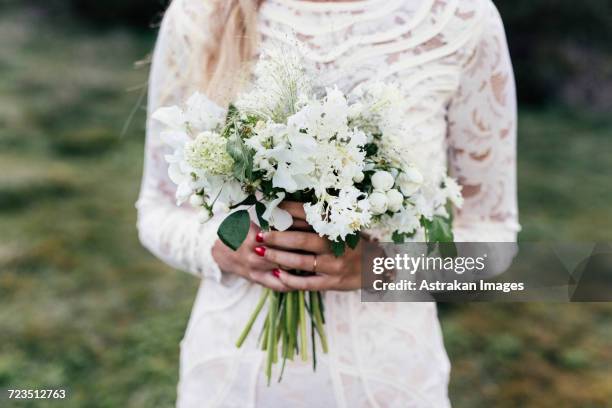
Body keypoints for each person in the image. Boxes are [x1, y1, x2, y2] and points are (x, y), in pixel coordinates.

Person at [136, 0, 520, 406]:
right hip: (229, 378)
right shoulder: (200, 12)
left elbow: (493, 242)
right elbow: (157, 208)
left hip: (389, 381)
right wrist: (217, 248)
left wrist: (380, 267)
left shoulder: (462, 19)